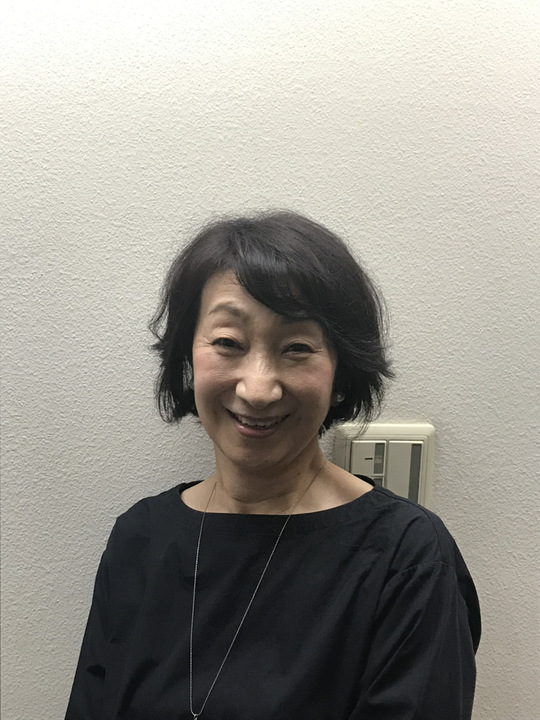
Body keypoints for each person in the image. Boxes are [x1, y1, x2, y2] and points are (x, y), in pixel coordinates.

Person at [66, 211, 481, 720]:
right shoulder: (139, 539)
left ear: (341, 371)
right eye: (228, 343)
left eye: (296, 348)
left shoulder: (408, 557)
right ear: (187, 358)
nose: (258, 389)